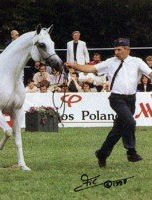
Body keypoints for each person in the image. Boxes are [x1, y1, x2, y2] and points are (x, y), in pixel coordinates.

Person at [64, 38, 152, 167]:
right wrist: (74, 65)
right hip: (117, 99)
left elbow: (150, 73)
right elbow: (91, 68)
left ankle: (102, 153)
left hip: (131, 99)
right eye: (115, 49)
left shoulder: (137, 62)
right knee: (130, 122)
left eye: (119, 49)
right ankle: (131, 152)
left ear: (127, 50)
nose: (116, 52)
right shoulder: (110, 62)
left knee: (117, 131)